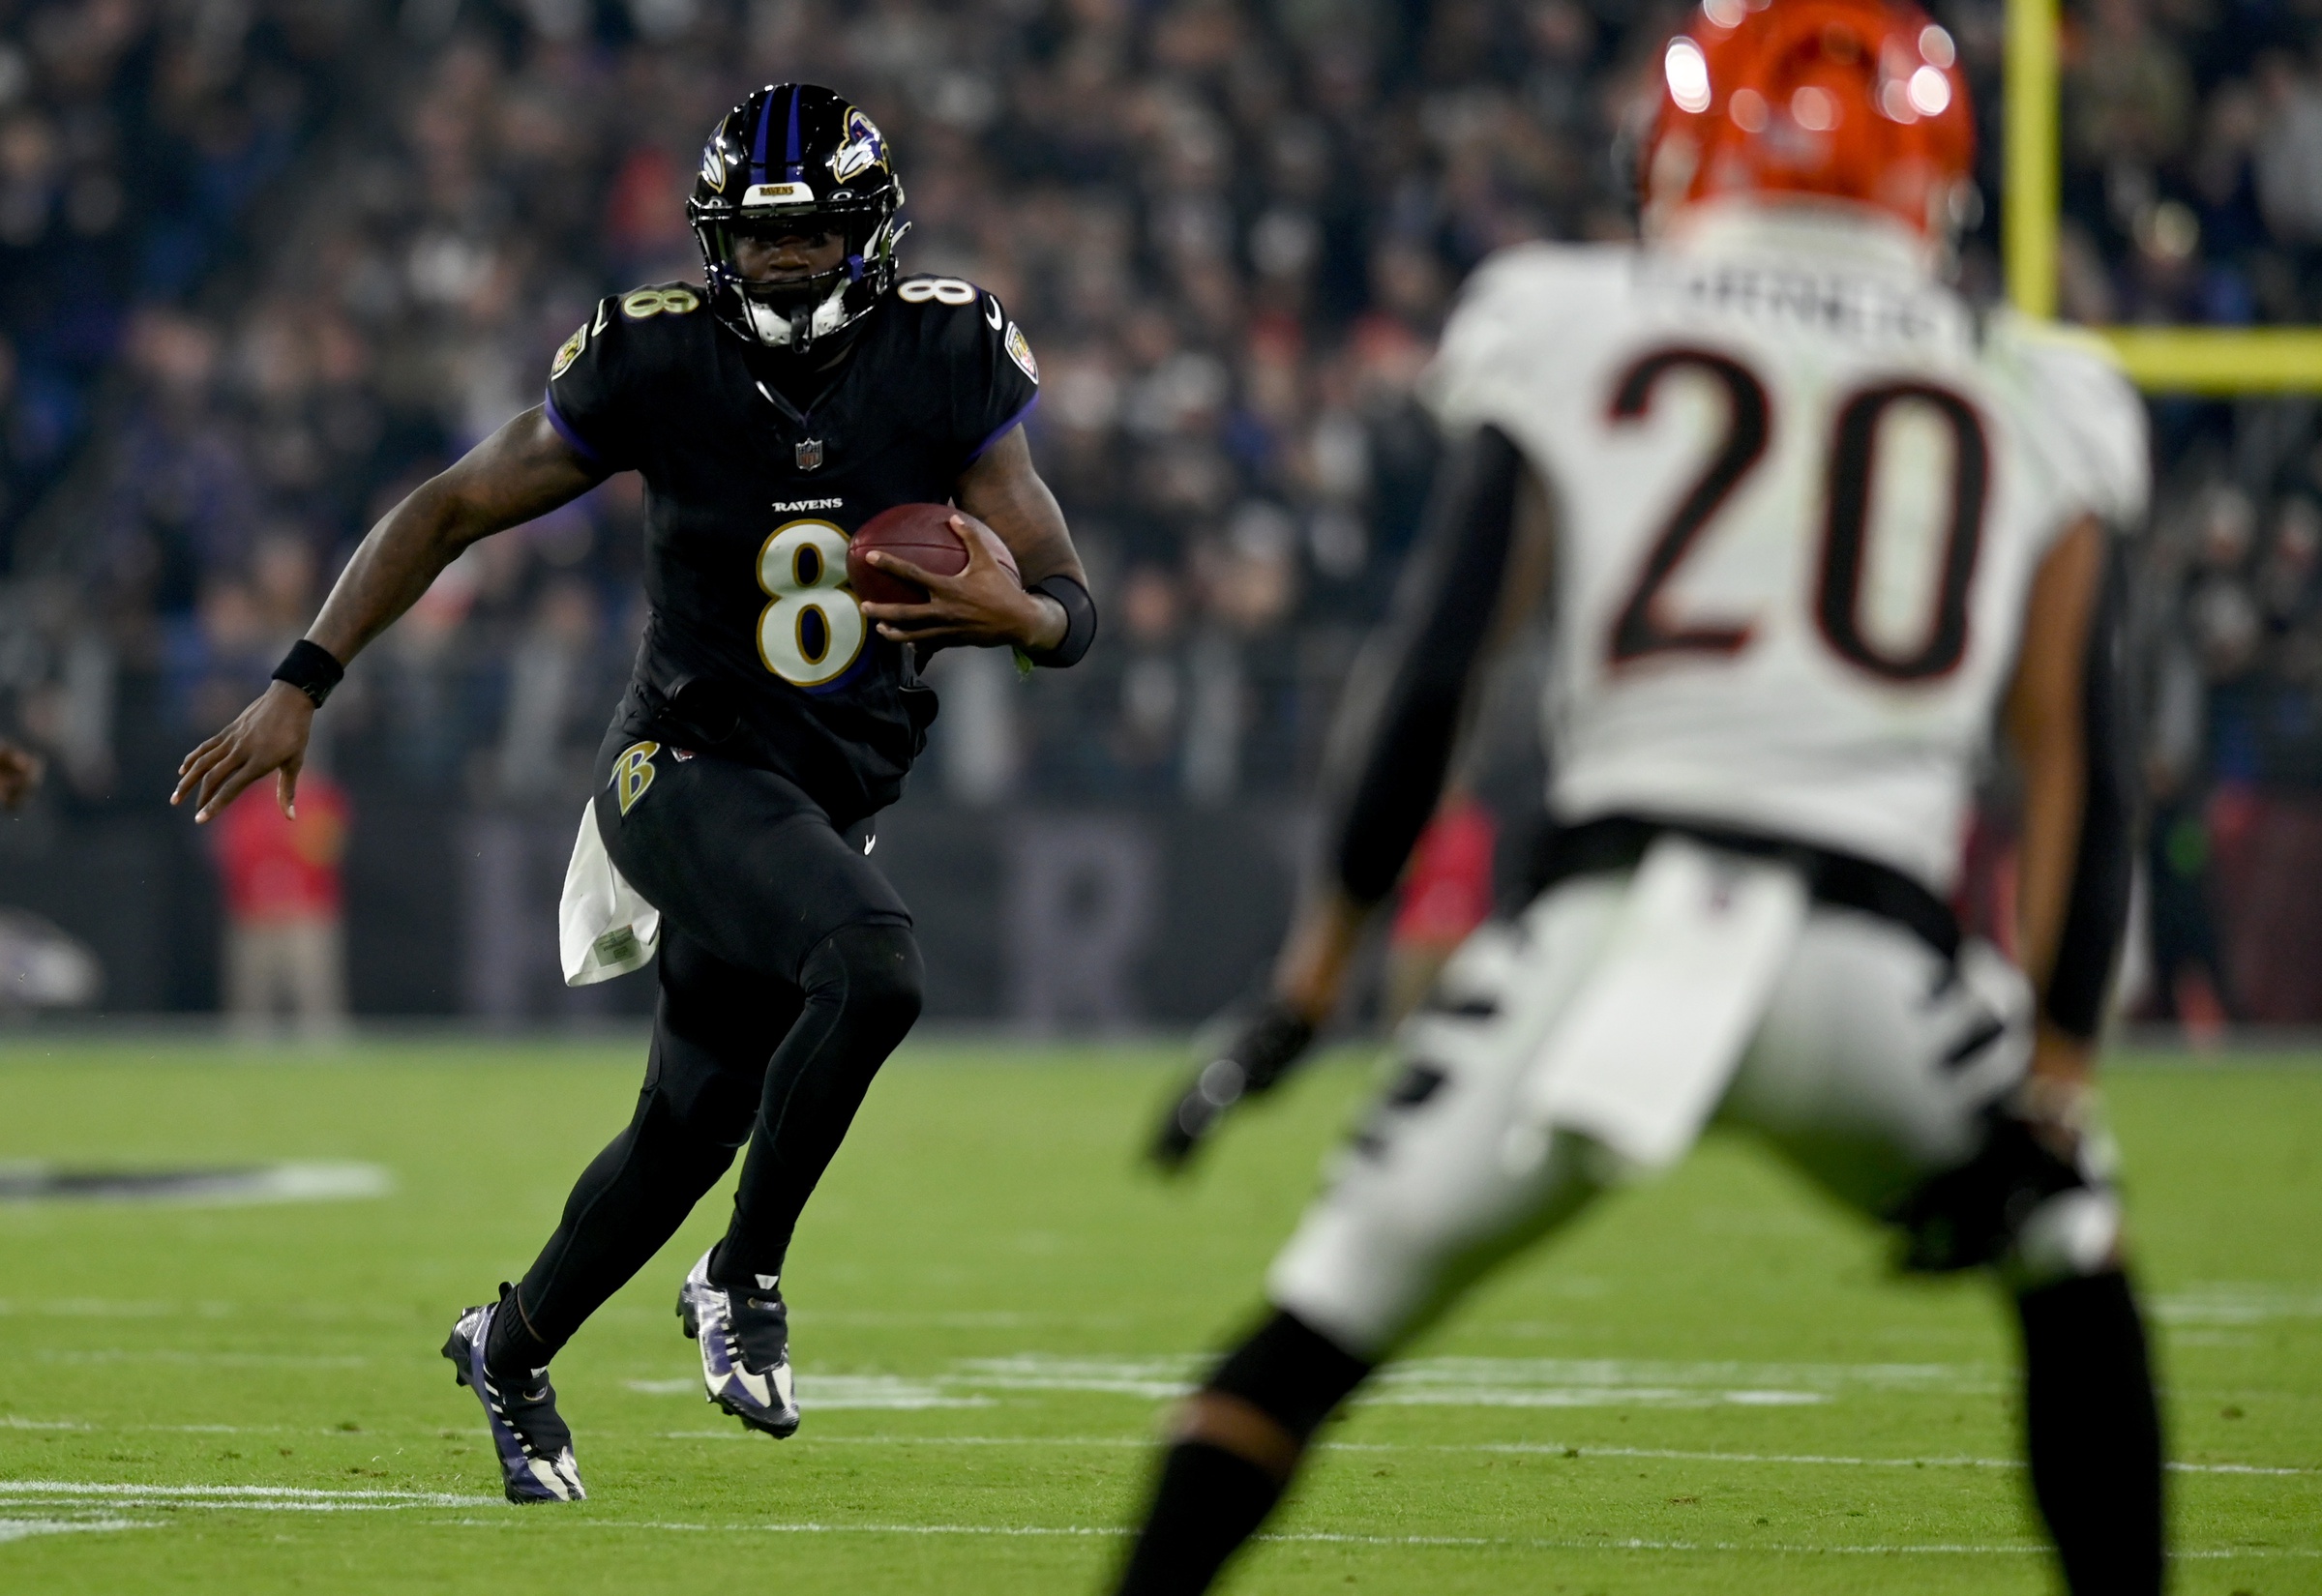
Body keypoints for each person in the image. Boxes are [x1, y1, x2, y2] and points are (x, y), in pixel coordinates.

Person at [1125, 4, 2161, 1592]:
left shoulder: (1569, 316)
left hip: (1604, 935)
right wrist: (2058, 1082)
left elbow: (1439, 671)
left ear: (1688, 151)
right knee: (2070, 1265)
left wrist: (1312, 977)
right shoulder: (2042, 384)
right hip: (1889, 961)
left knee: (1309, 1333)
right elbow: (2076, 759)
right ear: (1938, 179)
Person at [172, 84, 1096, 1504]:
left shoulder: (948, 353)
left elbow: (1070, 601)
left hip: (824, 793)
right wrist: (304, 674)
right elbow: (450, 507)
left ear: (874, 235)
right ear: (716, 243)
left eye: (811, 240)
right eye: (760, 242)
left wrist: (1022, 620)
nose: (784, 267)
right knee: (875, 965)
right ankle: (742, 1274)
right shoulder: (656, 359)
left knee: (686, 1128)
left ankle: (513, 1341)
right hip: (682, 762)